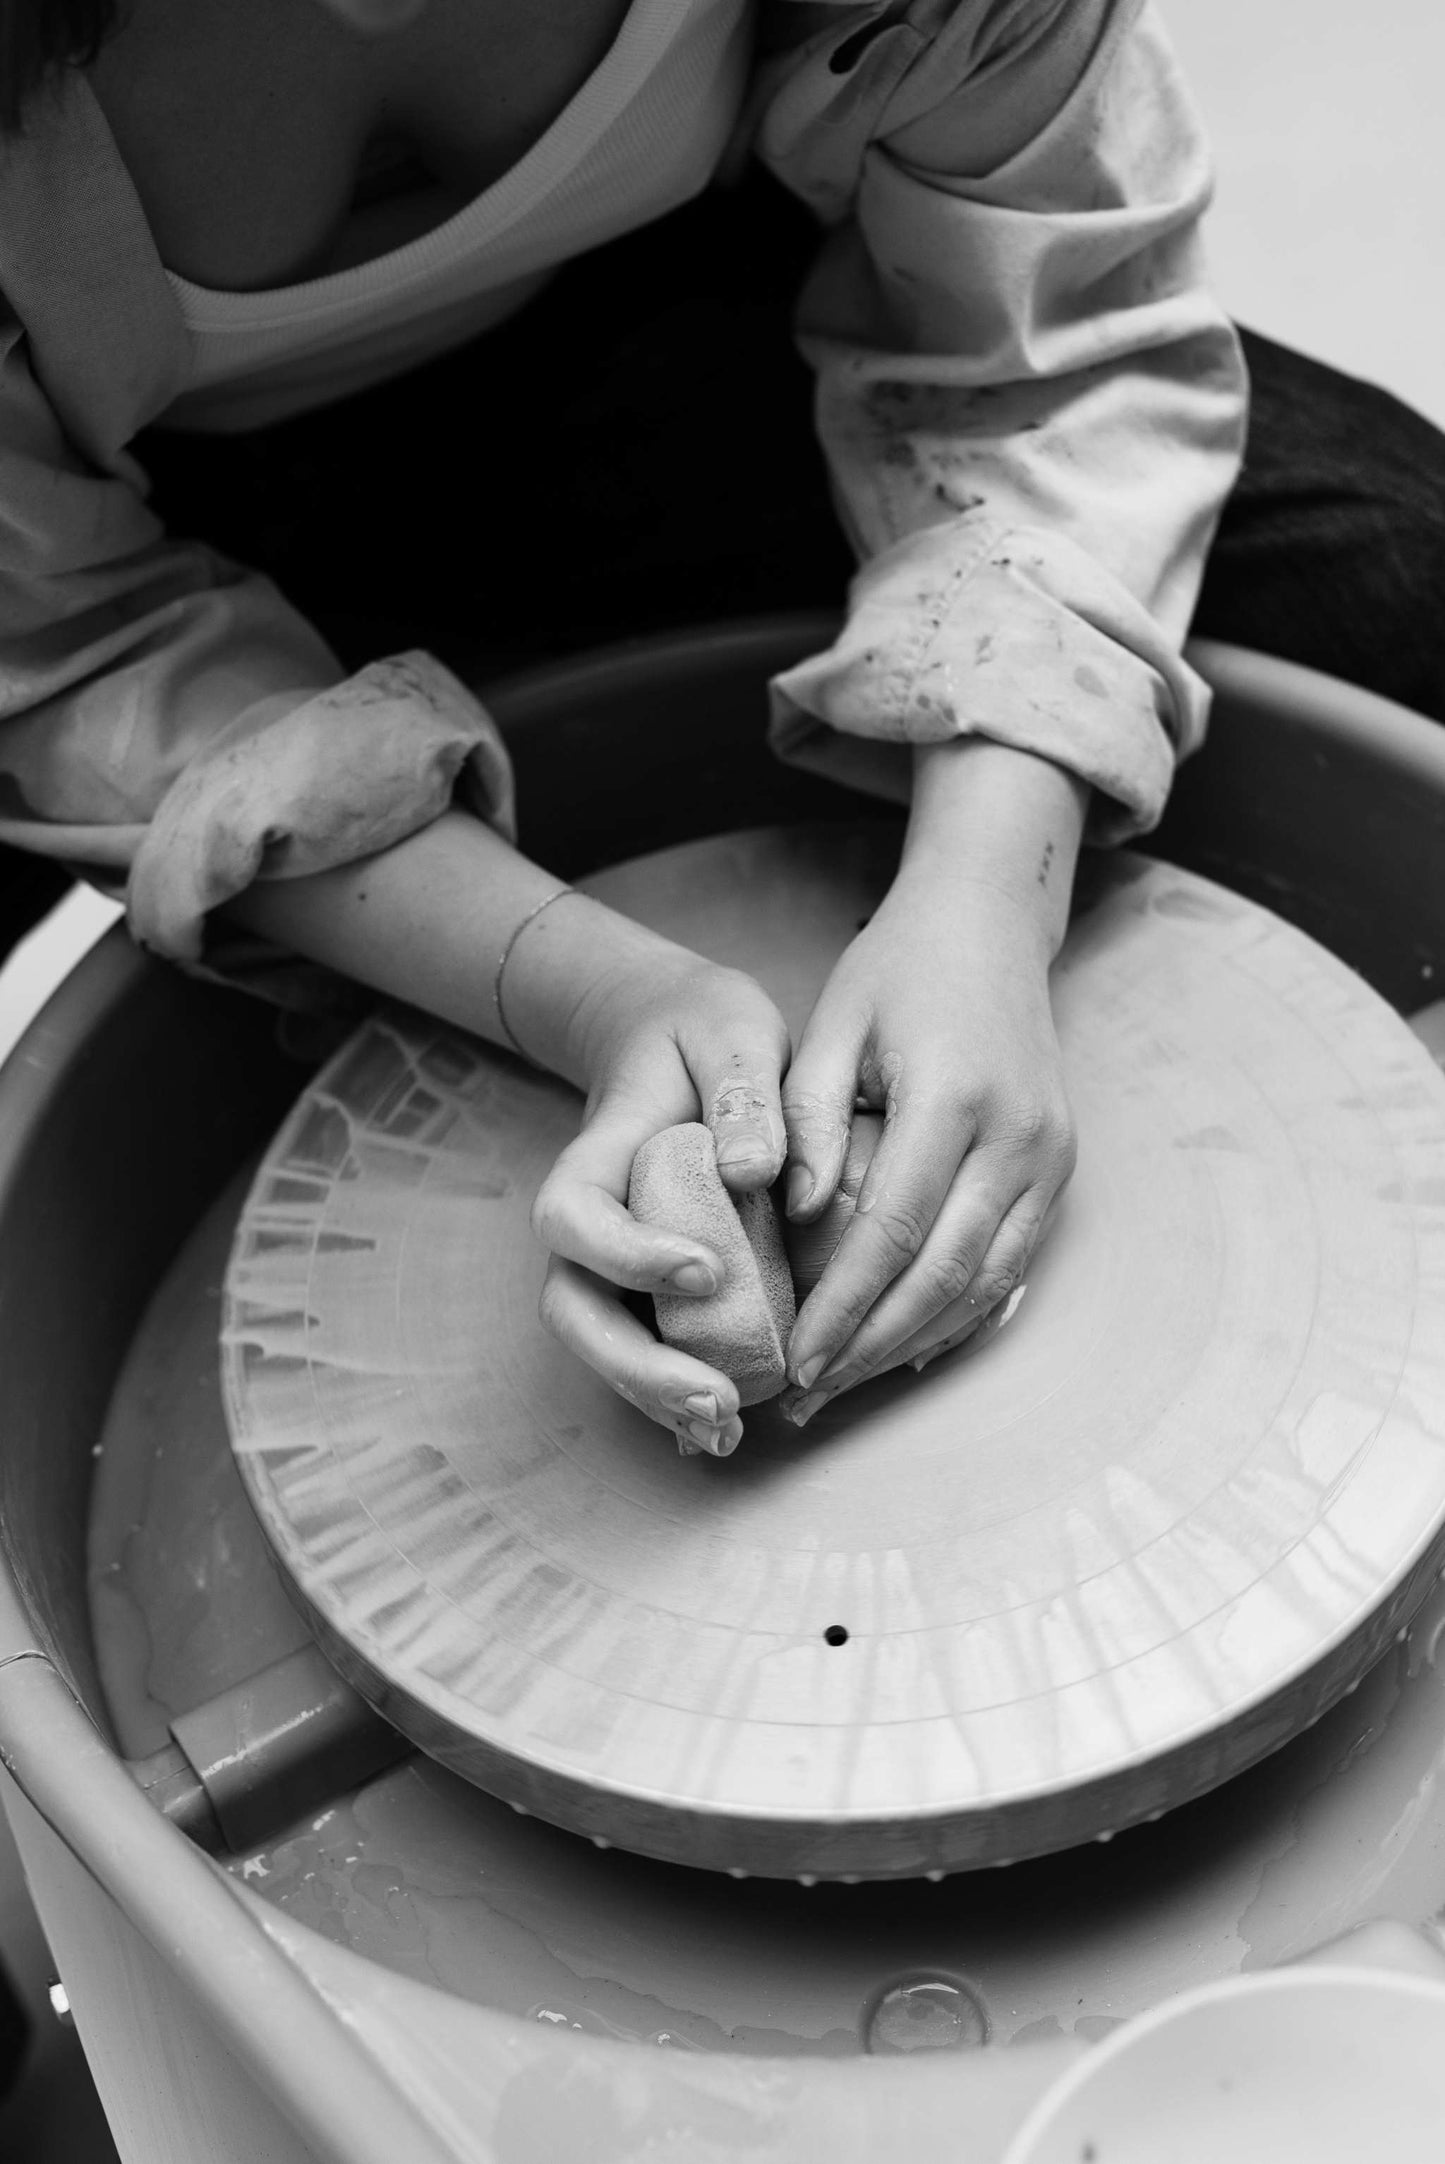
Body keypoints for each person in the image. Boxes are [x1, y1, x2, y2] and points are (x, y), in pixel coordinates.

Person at [0, 0, 1394, 1457]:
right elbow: (65, 649)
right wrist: (584, 993)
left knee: (1393, 592)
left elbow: (1047, 341)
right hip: (111, 508)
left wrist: (986, 890)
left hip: (699, 307)